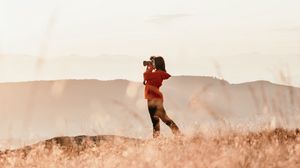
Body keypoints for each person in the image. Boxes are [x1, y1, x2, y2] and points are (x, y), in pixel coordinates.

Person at [143, 56, 181, 138]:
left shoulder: (159, 73)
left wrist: (150, 68)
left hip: (154, 99)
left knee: (161, 119)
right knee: (158, 120)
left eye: (153, 62)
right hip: (152, 98)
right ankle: (176, 134)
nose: (152, 64)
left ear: (157, 63)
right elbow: (146, 78)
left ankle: (177, 134)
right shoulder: (157, 72)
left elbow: (146, 76)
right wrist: (149, 67)